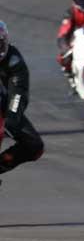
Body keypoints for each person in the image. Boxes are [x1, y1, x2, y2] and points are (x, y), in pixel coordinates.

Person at [0, 21, 44, 176]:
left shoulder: (13, 59)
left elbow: (18, 91)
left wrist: (12, 117)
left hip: (2, 105)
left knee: (34, 146)